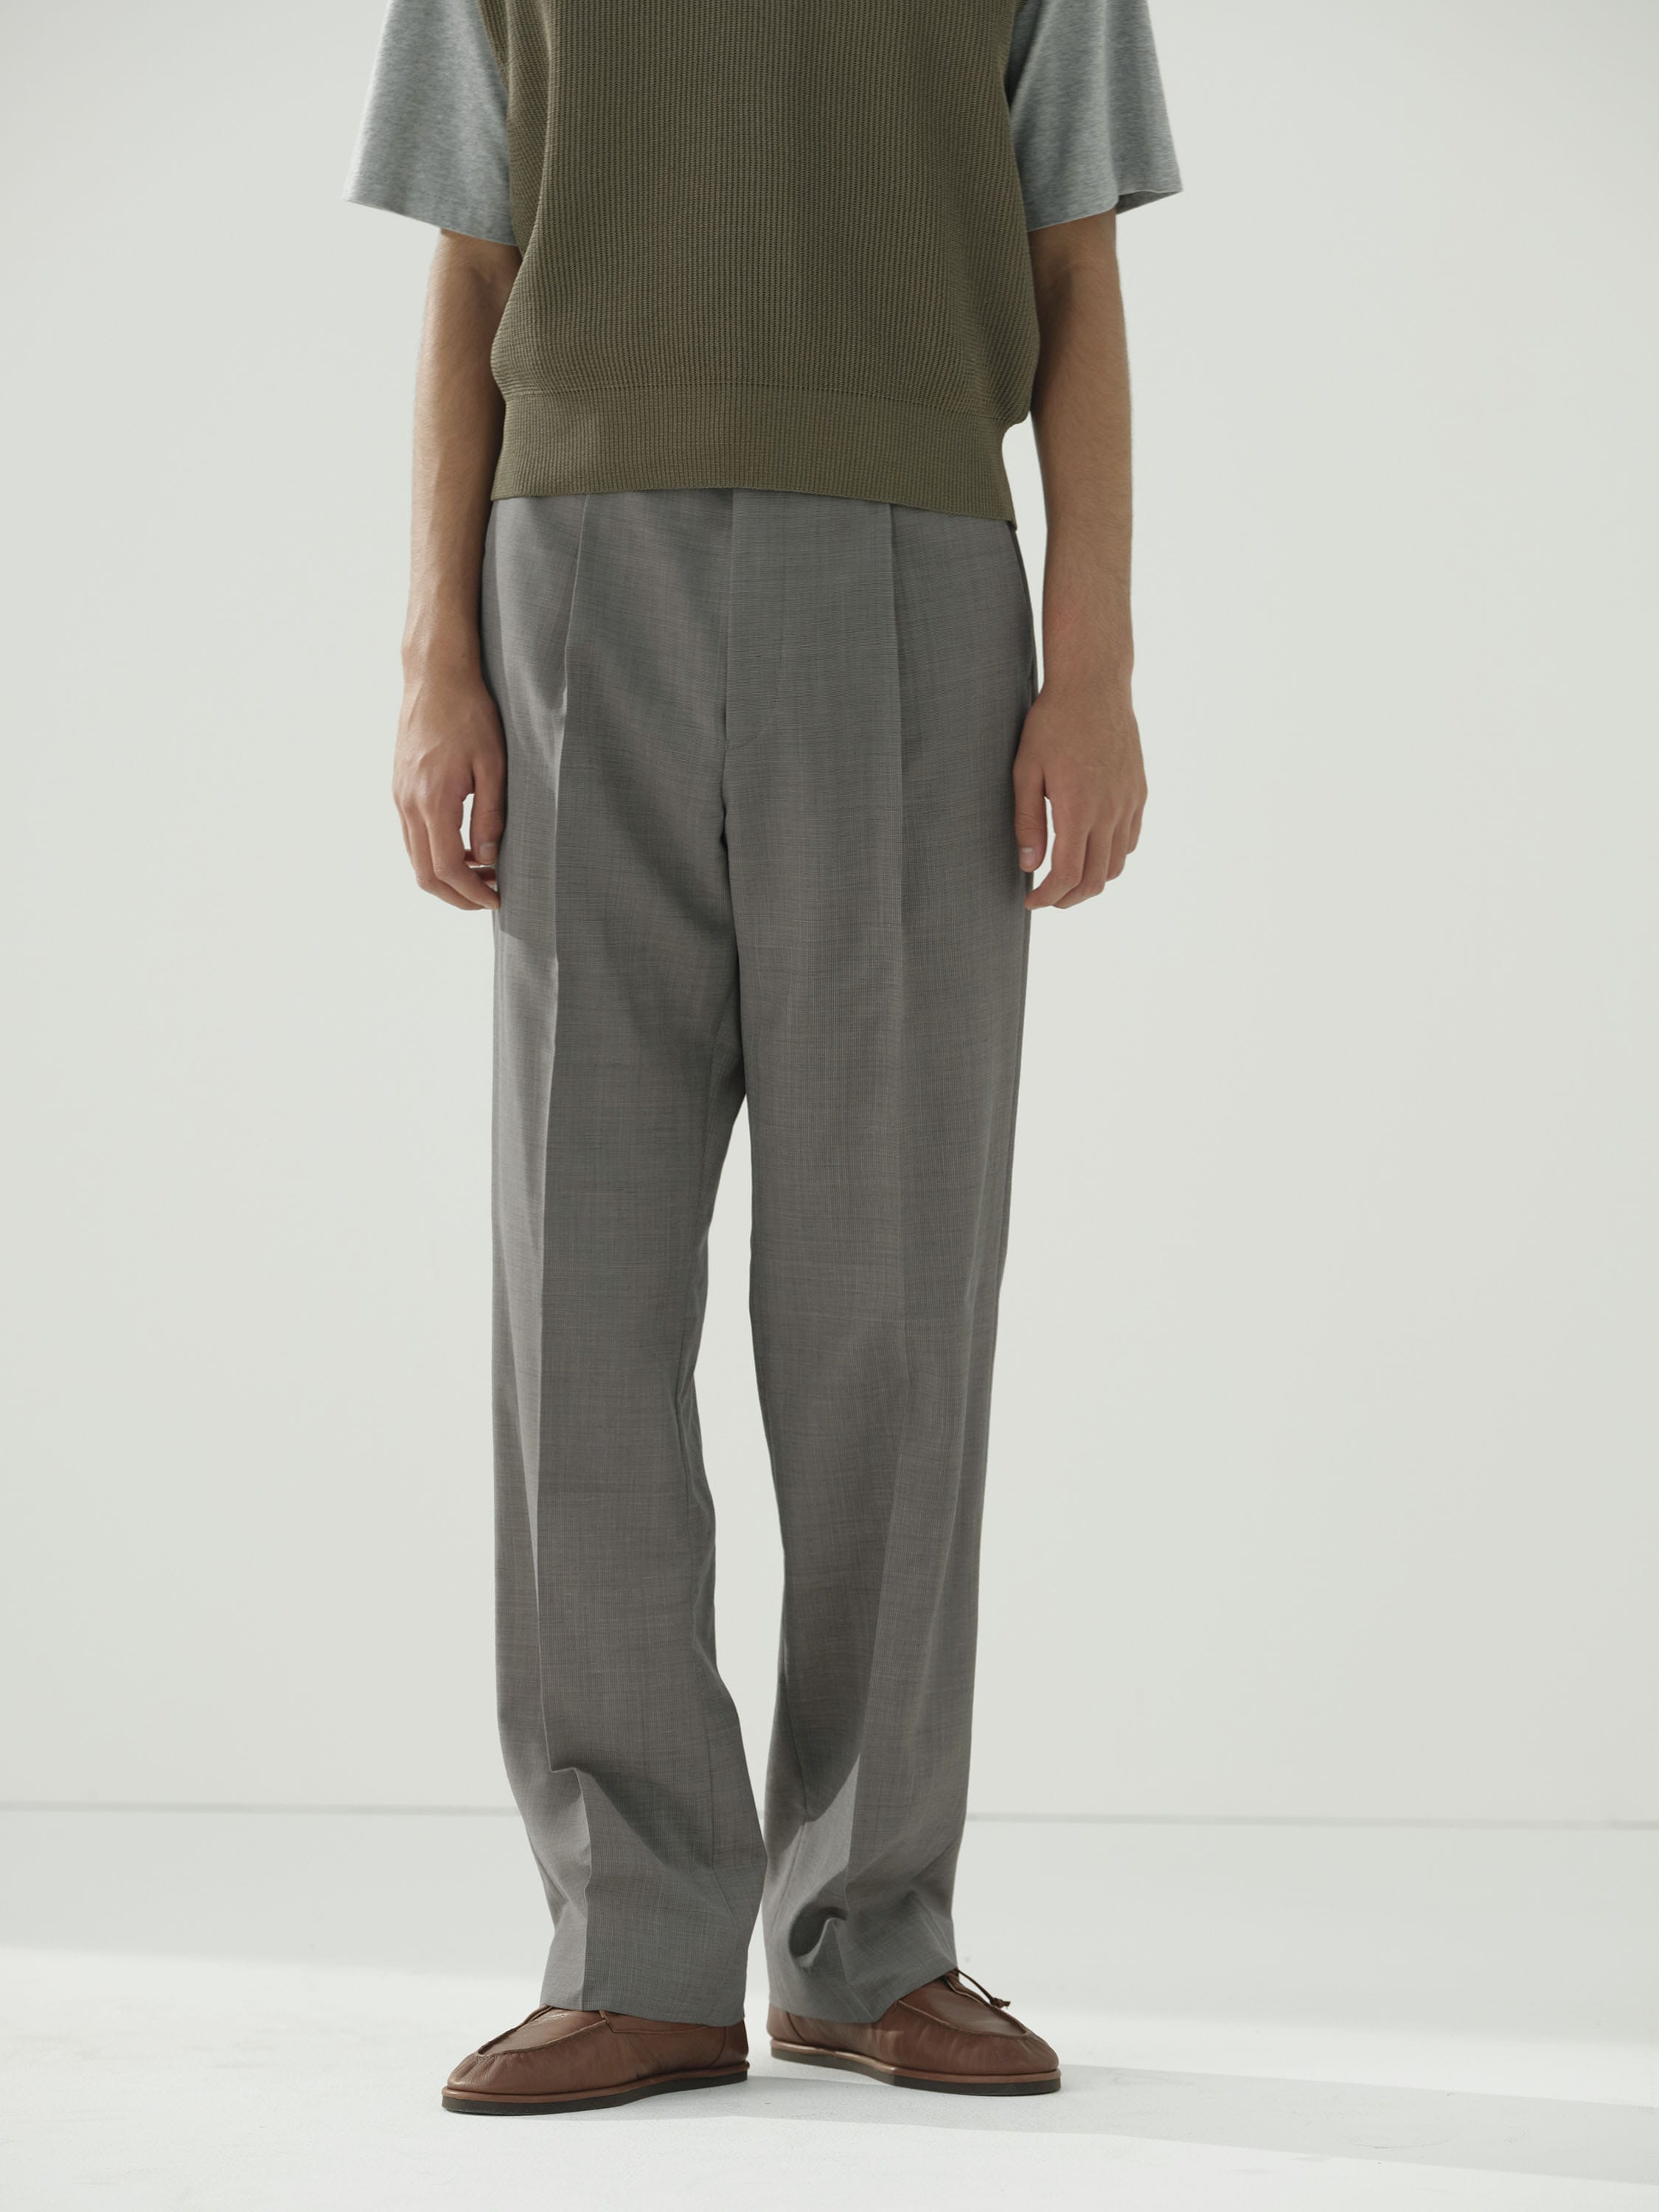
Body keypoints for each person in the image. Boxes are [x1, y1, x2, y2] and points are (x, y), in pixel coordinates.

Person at [346, 0, 1179, 2116]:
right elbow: (471, 270)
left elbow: (1074, 269)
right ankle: (630, 1949)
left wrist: (1091, 665)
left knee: (887, 1291)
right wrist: (437, 661)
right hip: (571, 582)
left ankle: (867, 1937)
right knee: (583, 1286)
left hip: (917, 575)